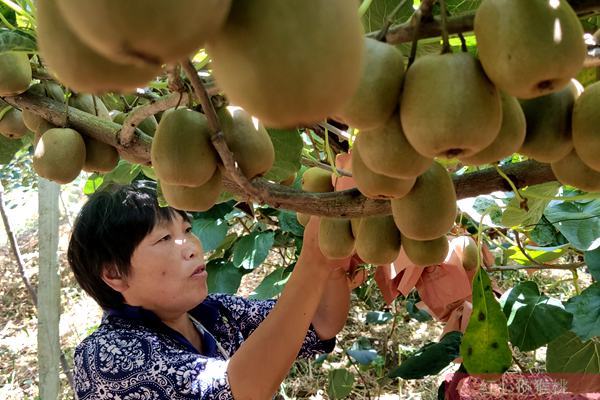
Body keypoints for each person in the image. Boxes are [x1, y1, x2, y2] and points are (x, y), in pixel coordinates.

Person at [67, 180, 353, 399]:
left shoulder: (212, 313)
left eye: (188, 230)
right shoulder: (104, 357)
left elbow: (319, 322)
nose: (192, 247)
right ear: (115, 274)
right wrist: (313, 260)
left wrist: (334, 266)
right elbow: (239, 390)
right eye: (165, 238)